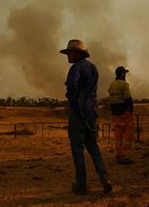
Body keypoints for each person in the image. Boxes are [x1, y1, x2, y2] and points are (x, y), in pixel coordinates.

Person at [60, 39, 113, 195]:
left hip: (78, 113)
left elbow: (71, 85)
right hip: (92, 113)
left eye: (70, 52)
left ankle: (81, 185)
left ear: (78, 53)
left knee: (77, 149)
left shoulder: (75, 68)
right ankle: (104, 178)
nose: (68, 56)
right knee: (93, 146)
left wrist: (71, 97)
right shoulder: (93, 68)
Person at [108, 66, 135, 164]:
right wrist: (130, 110)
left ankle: (118, 154)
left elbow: (111, 97)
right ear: (122, 74)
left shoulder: (111, 84)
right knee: (128, 132)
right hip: (124, 112)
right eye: (125, 74)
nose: (125, 76)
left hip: (115, 113)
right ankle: (123, 155)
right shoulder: (124, 84)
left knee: (118, 133)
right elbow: (128, 98)